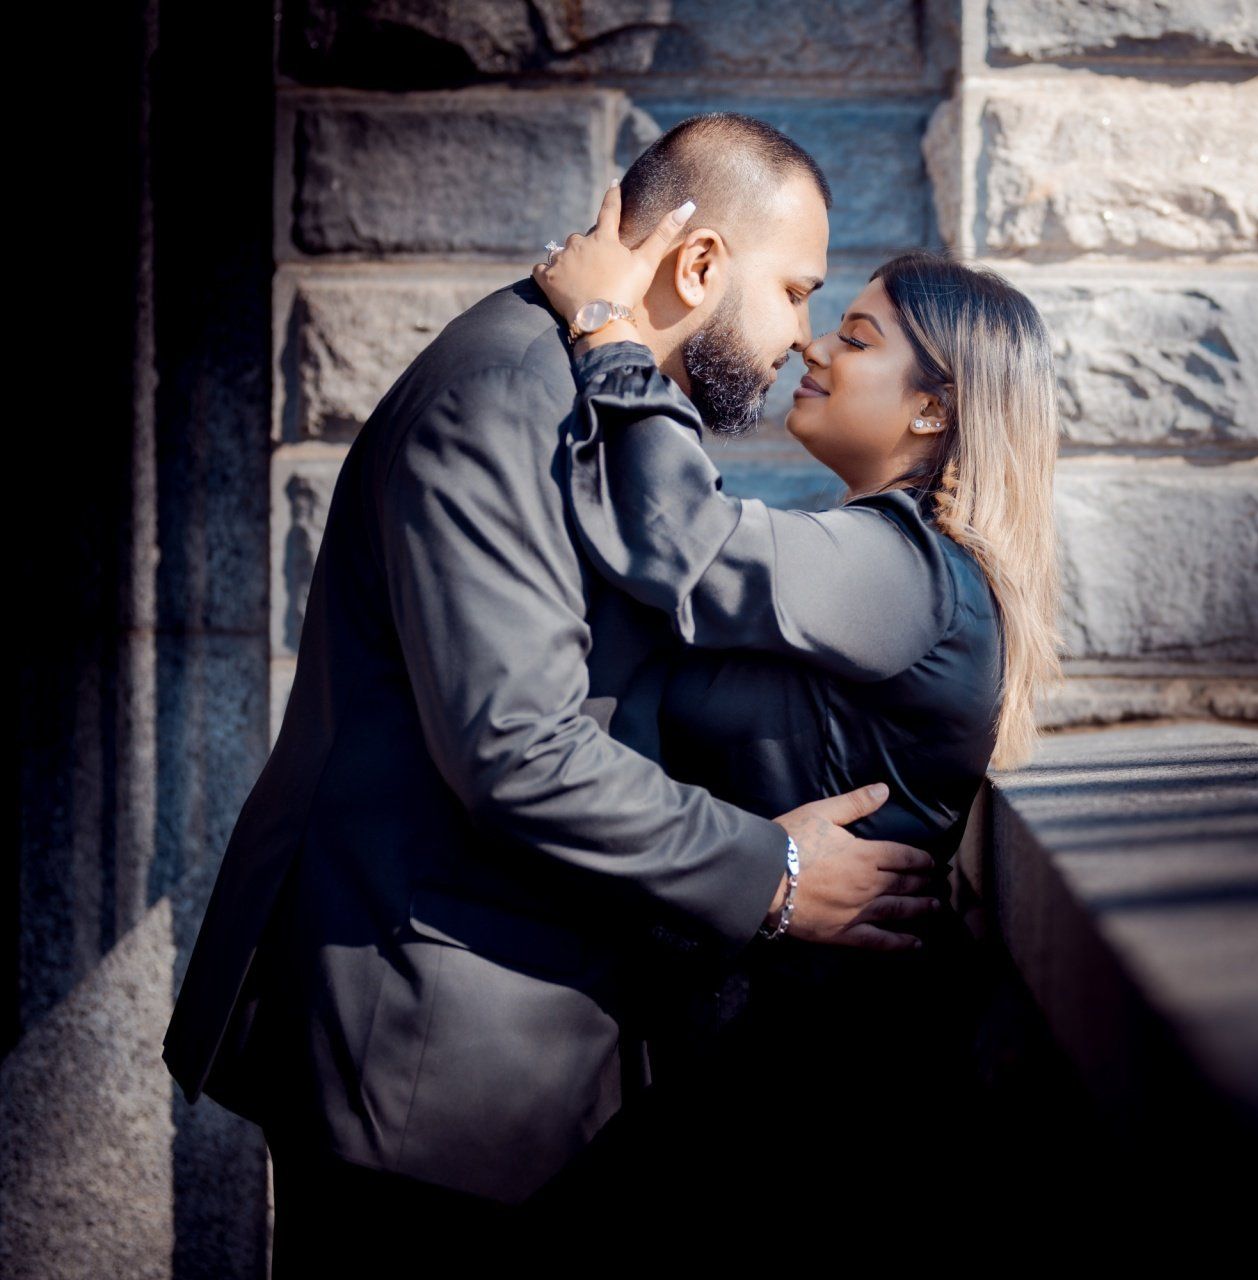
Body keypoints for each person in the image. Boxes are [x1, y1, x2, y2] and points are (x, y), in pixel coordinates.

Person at [160, 112, 950, 1276]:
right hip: (426, 1057)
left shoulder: (582, 386)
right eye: (792, 290)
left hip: (513, 1039)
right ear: (697, 266)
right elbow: (516, 743)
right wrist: (770, 876)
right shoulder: (506, 397)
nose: (799, 336)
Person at [529, 182, 1062, 1227]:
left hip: (814, 1100)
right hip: (759, 1065)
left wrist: (608, 328)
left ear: (932, 408)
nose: (814, 347)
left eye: (856, 337)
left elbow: (686, 537)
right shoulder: (872, 556)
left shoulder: (905, 569)